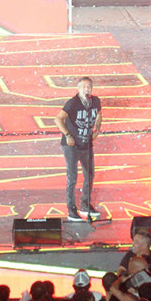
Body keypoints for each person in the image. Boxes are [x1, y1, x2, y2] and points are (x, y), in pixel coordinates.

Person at [56, 76, 102, 221]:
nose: (86, 89)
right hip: (71, 146)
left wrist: (97, 129)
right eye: (83, 86)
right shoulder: (73, 103)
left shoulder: (95, 101)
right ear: (78, 89)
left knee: (89, 175)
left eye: (89, 86)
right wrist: (68, 135)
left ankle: (85, 205)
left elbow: (99, 115)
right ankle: (71, 210)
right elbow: (58, 119)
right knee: (73, 177)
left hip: (86, 144)